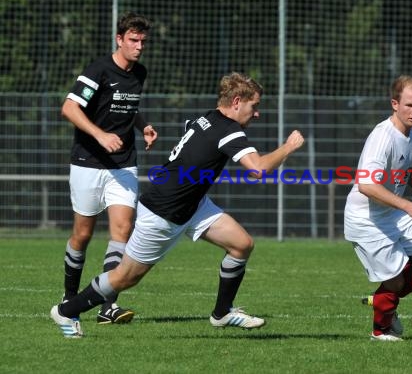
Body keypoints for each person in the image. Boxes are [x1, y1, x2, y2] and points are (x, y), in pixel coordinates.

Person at [50, 72, 305, 338]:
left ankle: (222, 313)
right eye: (254, 106)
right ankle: (66, 311)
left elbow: (192, 138)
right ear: (237, 101)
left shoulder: (208, 117)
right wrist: (288, 147)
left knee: (241, 244)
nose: (257, 114)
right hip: (164, 211)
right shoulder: (228, 130)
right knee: (124, 277)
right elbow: (258, 169)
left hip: (192, 204)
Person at [60, 11, 158, 325]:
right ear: (119, 39)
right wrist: (101, 135)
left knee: (122, 231)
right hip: (88, 163)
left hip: (123, 164)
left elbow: (128, 106)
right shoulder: (99, 70)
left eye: (142, 41)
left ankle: (106, 306)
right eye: (133, 40)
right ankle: (69, 298)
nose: (139, 46)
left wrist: (142, 126)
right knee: (82, 234)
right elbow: (69, 107)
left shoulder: (139, 73)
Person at [344, 75, 412, 342]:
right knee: (397, 281)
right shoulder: (381, 137)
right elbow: (366, 185)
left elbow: (406, 170)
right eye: (410, 105)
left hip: (392, 213)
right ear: (394, 104)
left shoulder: (410, 133)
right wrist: (409, 206)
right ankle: (381, 328)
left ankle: (383, 301)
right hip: (366, 219)